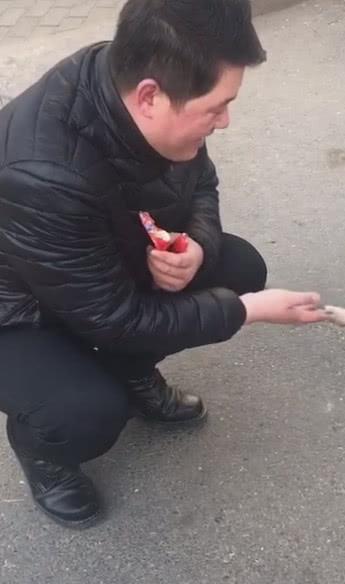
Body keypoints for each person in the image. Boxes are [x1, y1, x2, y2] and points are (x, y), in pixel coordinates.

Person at [0, 0, 327, 528]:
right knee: (84, 412)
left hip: (88, 269)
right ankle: (44, 450)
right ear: (150, 96)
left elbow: (201, 180)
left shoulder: (131, 82)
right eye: (216, 107)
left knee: (235, 264)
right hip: (17, 309)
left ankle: (129, 371)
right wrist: (246, 312)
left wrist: (197, 243)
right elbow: (115, 319)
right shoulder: (45, 175)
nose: (226, 121)